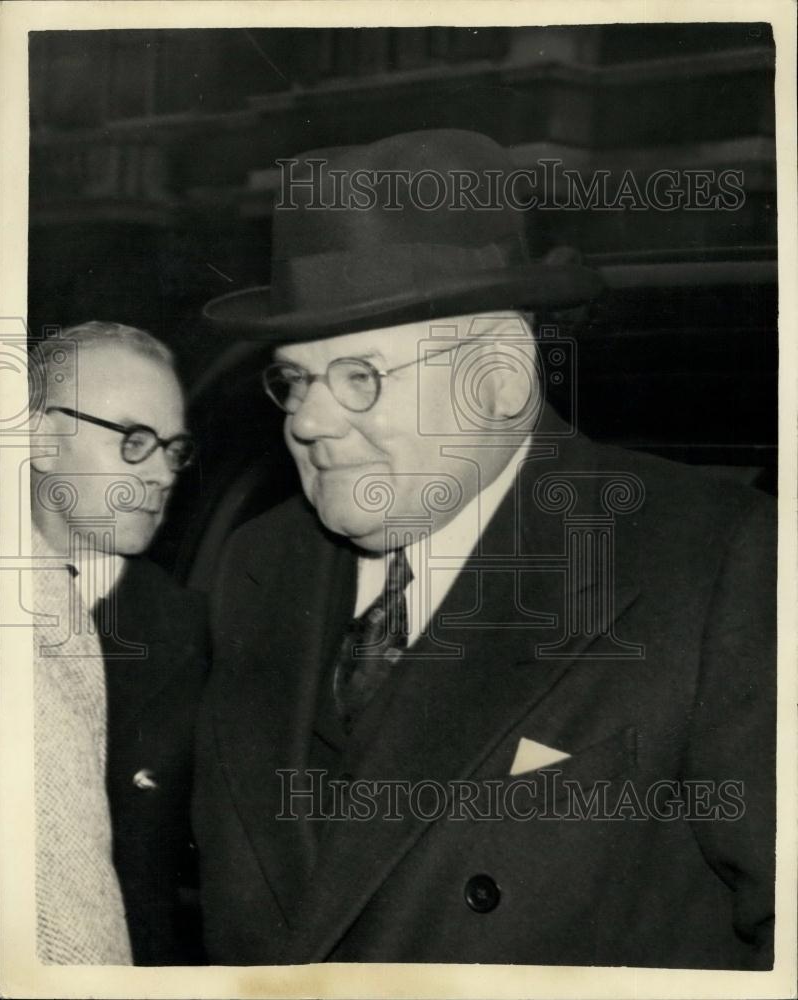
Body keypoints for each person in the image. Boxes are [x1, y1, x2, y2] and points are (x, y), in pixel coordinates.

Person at [194, 129, 775, 969]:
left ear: (502, 373)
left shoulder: (711, 559)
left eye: (360, 375)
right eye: (294, 379)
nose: (309, 422)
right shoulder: (257, 567)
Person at [29, 321, 209, 964]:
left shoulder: (195, 635)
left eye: (173, 450)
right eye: (134, 441)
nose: (162, 474)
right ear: (43, 439)